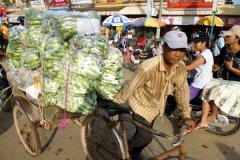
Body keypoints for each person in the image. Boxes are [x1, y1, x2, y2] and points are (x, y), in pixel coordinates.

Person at [113, 30, 195, 159]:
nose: (178, 54)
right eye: (174, 49)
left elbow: (182, 90)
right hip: (140, 105)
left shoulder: (180, 66)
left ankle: (133, 153)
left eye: (182, 50)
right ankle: (125, 151)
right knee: (146, 137)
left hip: (156, 106)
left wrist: (186, 115)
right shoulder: (148, 67)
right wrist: (115, 102)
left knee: (143, 135)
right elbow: (131, 86)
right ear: (164, 48)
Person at [196, 25, 240, 129]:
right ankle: (203, 120)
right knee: (207, 87)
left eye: (229, 36)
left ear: (237, 38)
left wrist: (231, 68)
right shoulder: (225, 49)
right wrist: (216, 65)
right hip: (224, 80)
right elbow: (219, 60)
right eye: (226, 36)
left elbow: (230, 67)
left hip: (237, 83)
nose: (225, 38)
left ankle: (213, 115)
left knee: (216, 90)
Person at [186, 32, 214, 101]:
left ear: (204, 43)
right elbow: (192, 62)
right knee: (182, 81)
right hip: (197, 79)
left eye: (196, 43)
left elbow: (189, 67)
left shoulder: (205, 54)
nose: (193, 44)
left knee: (182, 100)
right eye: (193, 42)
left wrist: (174, 67)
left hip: (200, 83)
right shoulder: (203, 53)